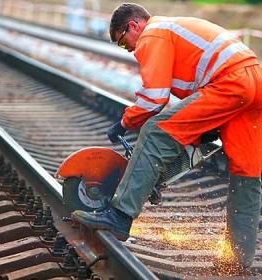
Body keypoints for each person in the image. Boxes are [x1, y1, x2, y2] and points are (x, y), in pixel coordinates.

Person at [72, 2, 262, 273]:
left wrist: (124, 122)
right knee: (247, 171)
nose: (130, 50)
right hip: (253, 80)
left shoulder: (153, 33)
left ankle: (120, 215)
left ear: (134, 26)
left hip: (230, 81)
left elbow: (154, 98)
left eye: (124, 43)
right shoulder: (172, 29)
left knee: (155, 132)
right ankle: (237, 260)